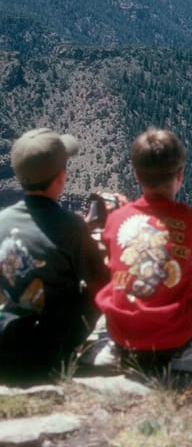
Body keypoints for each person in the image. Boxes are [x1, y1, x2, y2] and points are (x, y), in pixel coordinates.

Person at [95, 128, 192, 372]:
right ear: (180, 175)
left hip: (123, 335)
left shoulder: (117, 217)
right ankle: (191, 344)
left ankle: (112, 345)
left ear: (137, 176)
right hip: (172, 339)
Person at [0, 128, 108, 372]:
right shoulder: (71, 225)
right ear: (61, 177)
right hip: (49, 349)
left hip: (5, 340)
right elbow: (100, 282)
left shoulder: (2, 220)